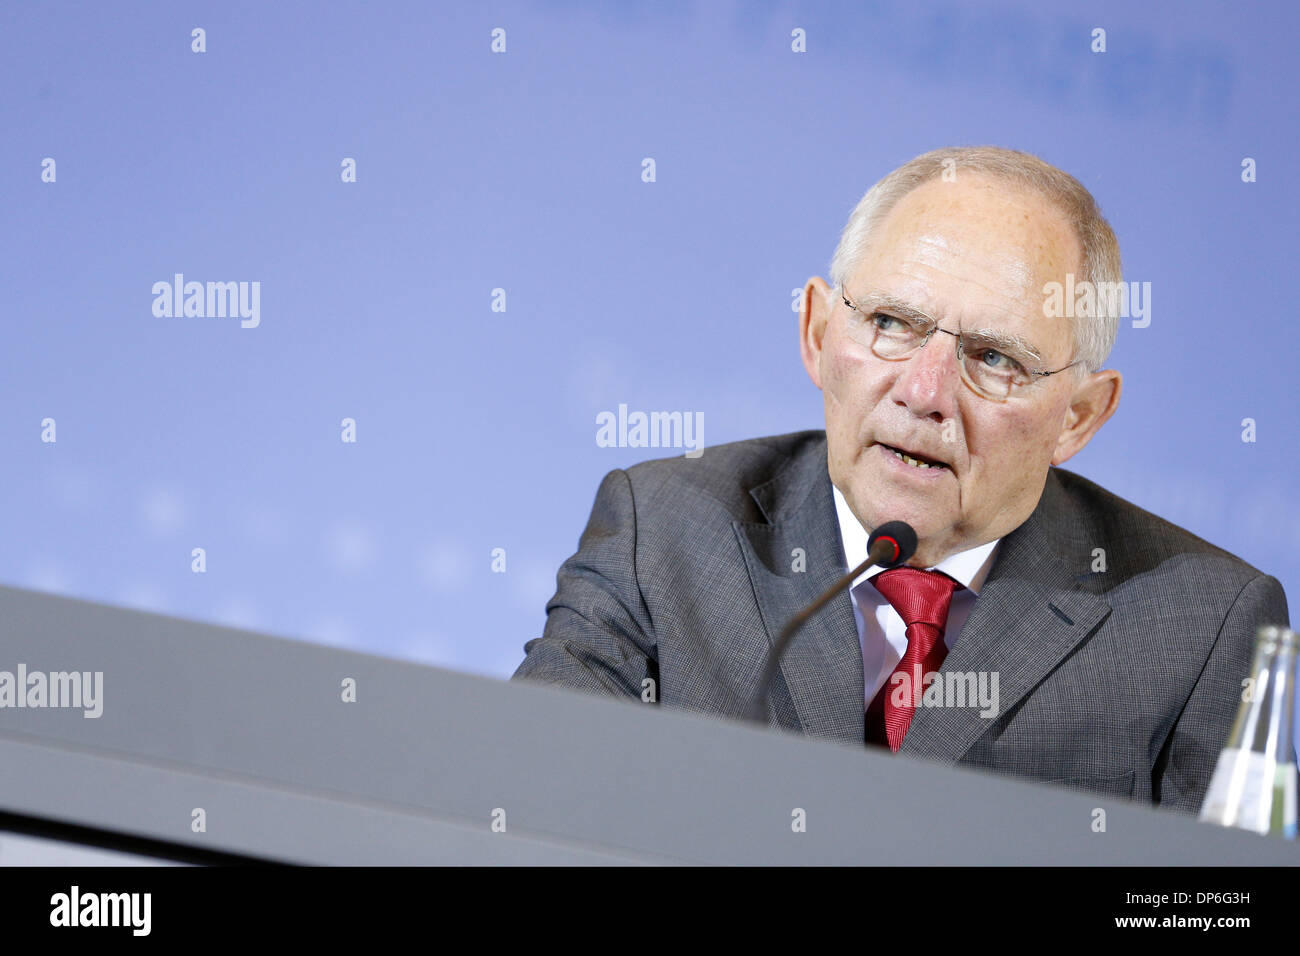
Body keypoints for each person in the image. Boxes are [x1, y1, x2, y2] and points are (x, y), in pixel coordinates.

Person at [511, 146, 1289, 815]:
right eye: (890, 323)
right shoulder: (666, 530)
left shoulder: (1202, 625)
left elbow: (1219, 913)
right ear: (818, 333)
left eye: (995, 358)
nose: (924, 393)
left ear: (1078, 418)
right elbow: (523, 797)